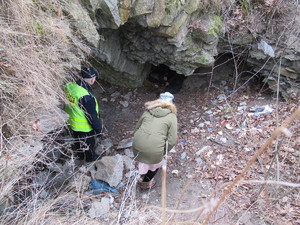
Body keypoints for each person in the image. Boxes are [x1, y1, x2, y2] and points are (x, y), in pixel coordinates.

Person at [132, 92, 178, 190]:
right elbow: (172, 140)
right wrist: (163, 152)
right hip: (154, 150)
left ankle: (140, 173)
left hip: (137, 146)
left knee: (144, 156)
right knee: (156, 161)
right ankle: (146, 183)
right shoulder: (171, 117)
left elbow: (136, 129)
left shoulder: (147, 111)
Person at [65, 67, 102, 162]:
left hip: (72, 122)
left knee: (78, 141)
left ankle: (80, 155)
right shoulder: (86, 97)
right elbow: (91, 117)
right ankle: (90, 158)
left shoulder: (70, 86)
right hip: (84, 127)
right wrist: (98, 130)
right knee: (88, 144)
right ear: (92, 79)